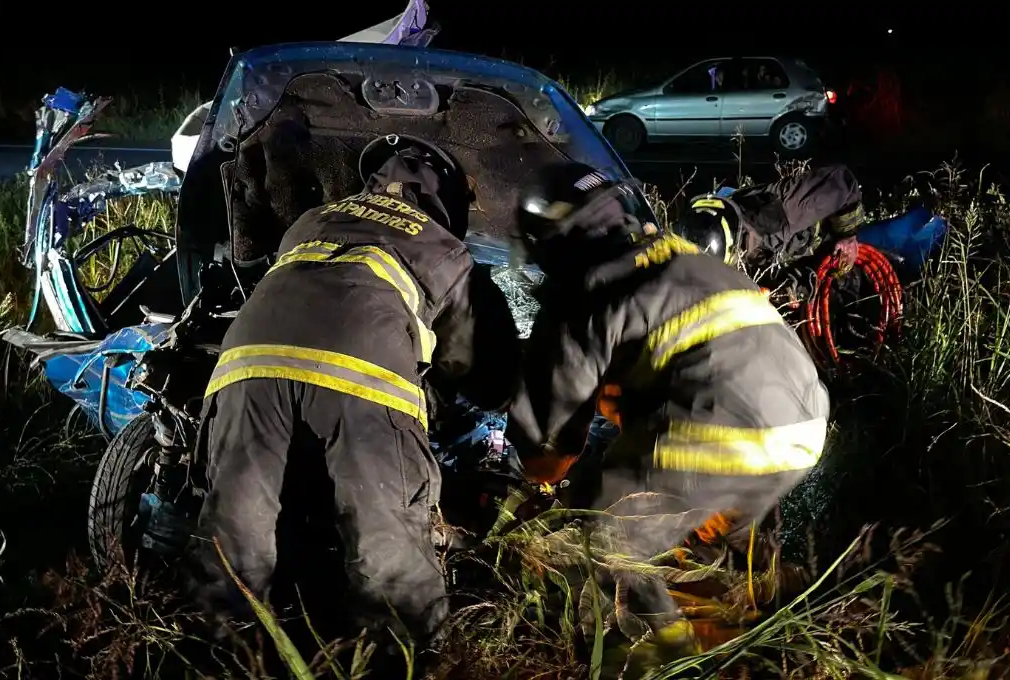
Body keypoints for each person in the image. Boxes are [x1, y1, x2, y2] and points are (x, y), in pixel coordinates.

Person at [187, 134, 521, 669]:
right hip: (360, 378)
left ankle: (219, 658)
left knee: (236, 535)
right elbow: (469, 364)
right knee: (388, 545)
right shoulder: (443, 248)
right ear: (444, 200)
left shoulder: (311, 219)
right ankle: (399, 663)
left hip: (246, 364)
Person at [504, 161, 830, 672]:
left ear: (550, 242)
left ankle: (669, 652)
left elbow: (549, 442)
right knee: (718, 538)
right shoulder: (687, 258)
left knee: (600, 536)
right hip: (805, 428)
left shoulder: (587, 284)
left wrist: (536, 492)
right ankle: (762, 616)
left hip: (722, 428)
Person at [674, 163, 864, 277]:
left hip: (836, 242)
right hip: (811, 265)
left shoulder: (784, 209)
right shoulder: (732, 260)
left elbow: (842, 181)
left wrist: (847, 236)